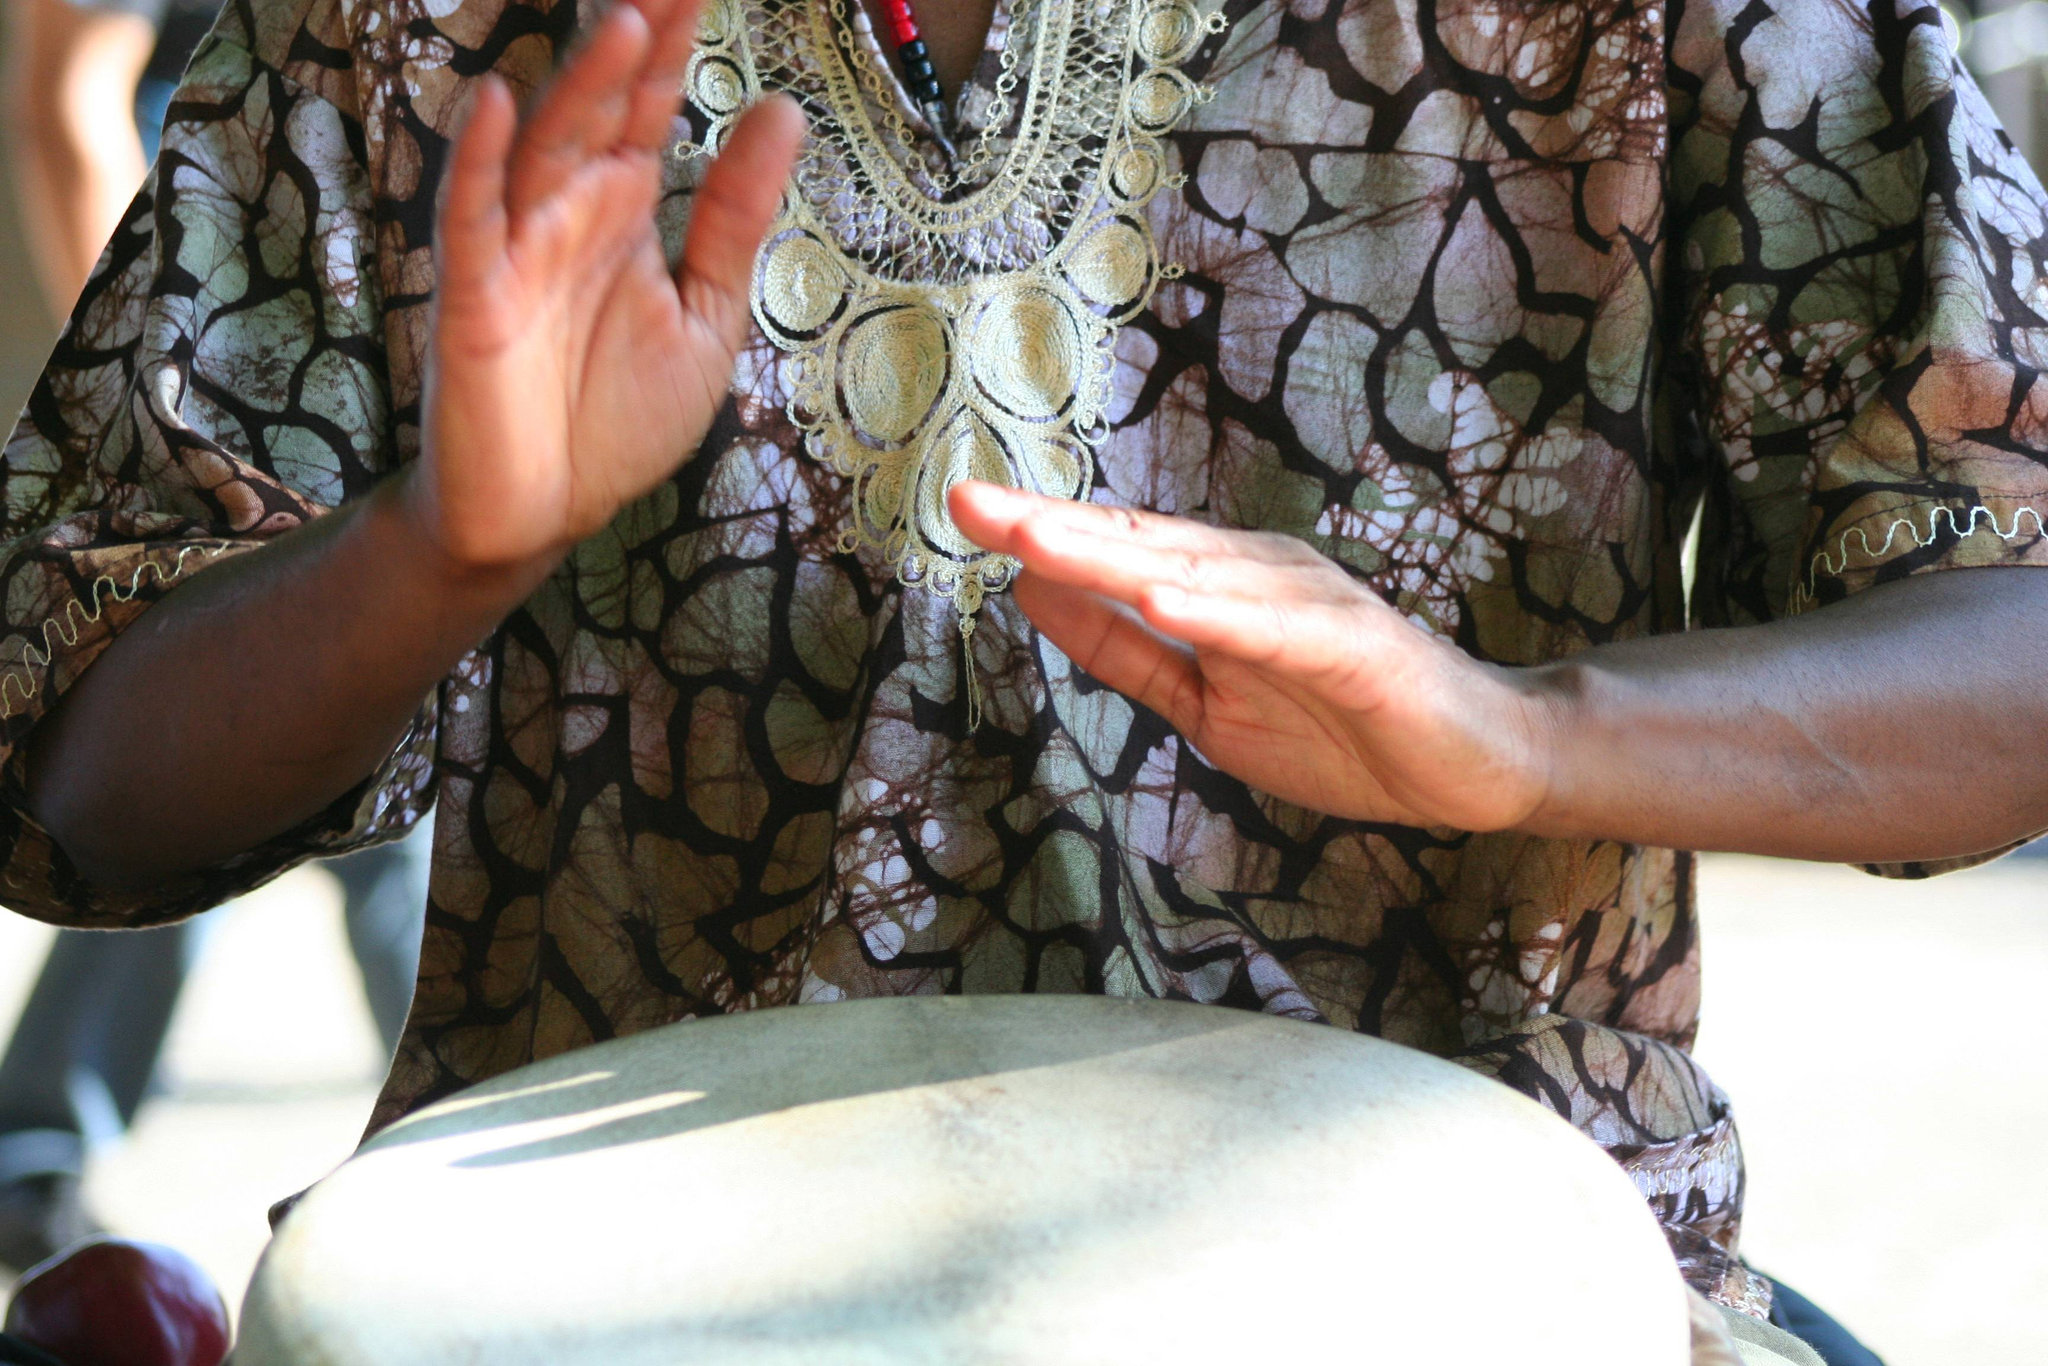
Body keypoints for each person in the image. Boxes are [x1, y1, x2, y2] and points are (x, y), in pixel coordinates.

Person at [0, 0, 2043, 1359]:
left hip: (1503, 1293)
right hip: (586, 1317)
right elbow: (71, 786)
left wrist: (1523, 735)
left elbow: (2010, 634)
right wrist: (441, 546)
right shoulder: (422, 29)